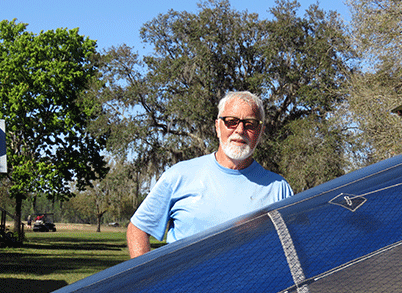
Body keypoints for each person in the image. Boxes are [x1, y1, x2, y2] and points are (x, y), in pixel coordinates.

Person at [126, 91, 293, 258]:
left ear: (261, 131)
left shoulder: (278, 188)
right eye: (231, 121)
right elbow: (138, 229)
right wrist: (145, 274)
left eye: (250, 124)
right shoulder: (179, 175)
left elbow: (292, 246)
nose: (240, 130)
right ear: (217, 127)